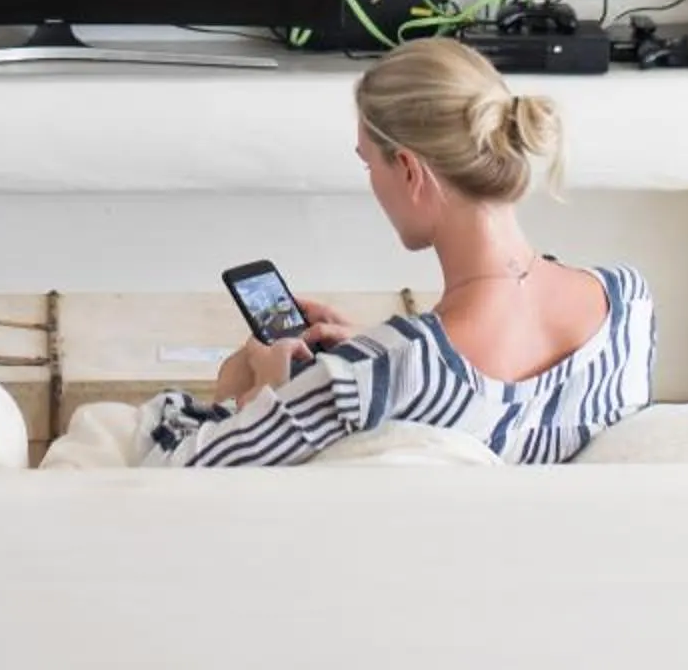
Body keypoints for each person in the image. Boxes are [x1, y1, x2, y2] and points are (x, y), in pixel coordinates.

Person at [135, 39, 653, 467]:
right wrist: (377, 347)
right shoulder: (628, 303)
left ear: (408, 170)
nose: (372, 184)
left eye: (369, 165)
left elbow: (177, 469)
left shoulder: (371, 376)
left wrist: (248, 389)